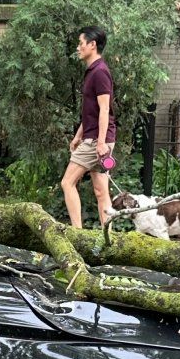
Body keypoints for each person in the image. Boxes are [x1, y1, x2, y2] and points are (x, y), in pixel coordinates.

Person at [61, 26, 117, 228]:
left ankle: (77, 233)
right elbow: (91, 112)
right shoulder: (93, 71)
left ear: (92, 45)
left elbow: (104, 110)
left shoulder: (100, 72)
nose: (78, 47)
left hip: (97, 141)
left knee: (67, 183)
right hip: (94, 138)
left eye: (81, 43)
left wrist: (100, 143)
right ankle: (108, 239)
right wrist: (78, 136)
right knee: (101, 191)